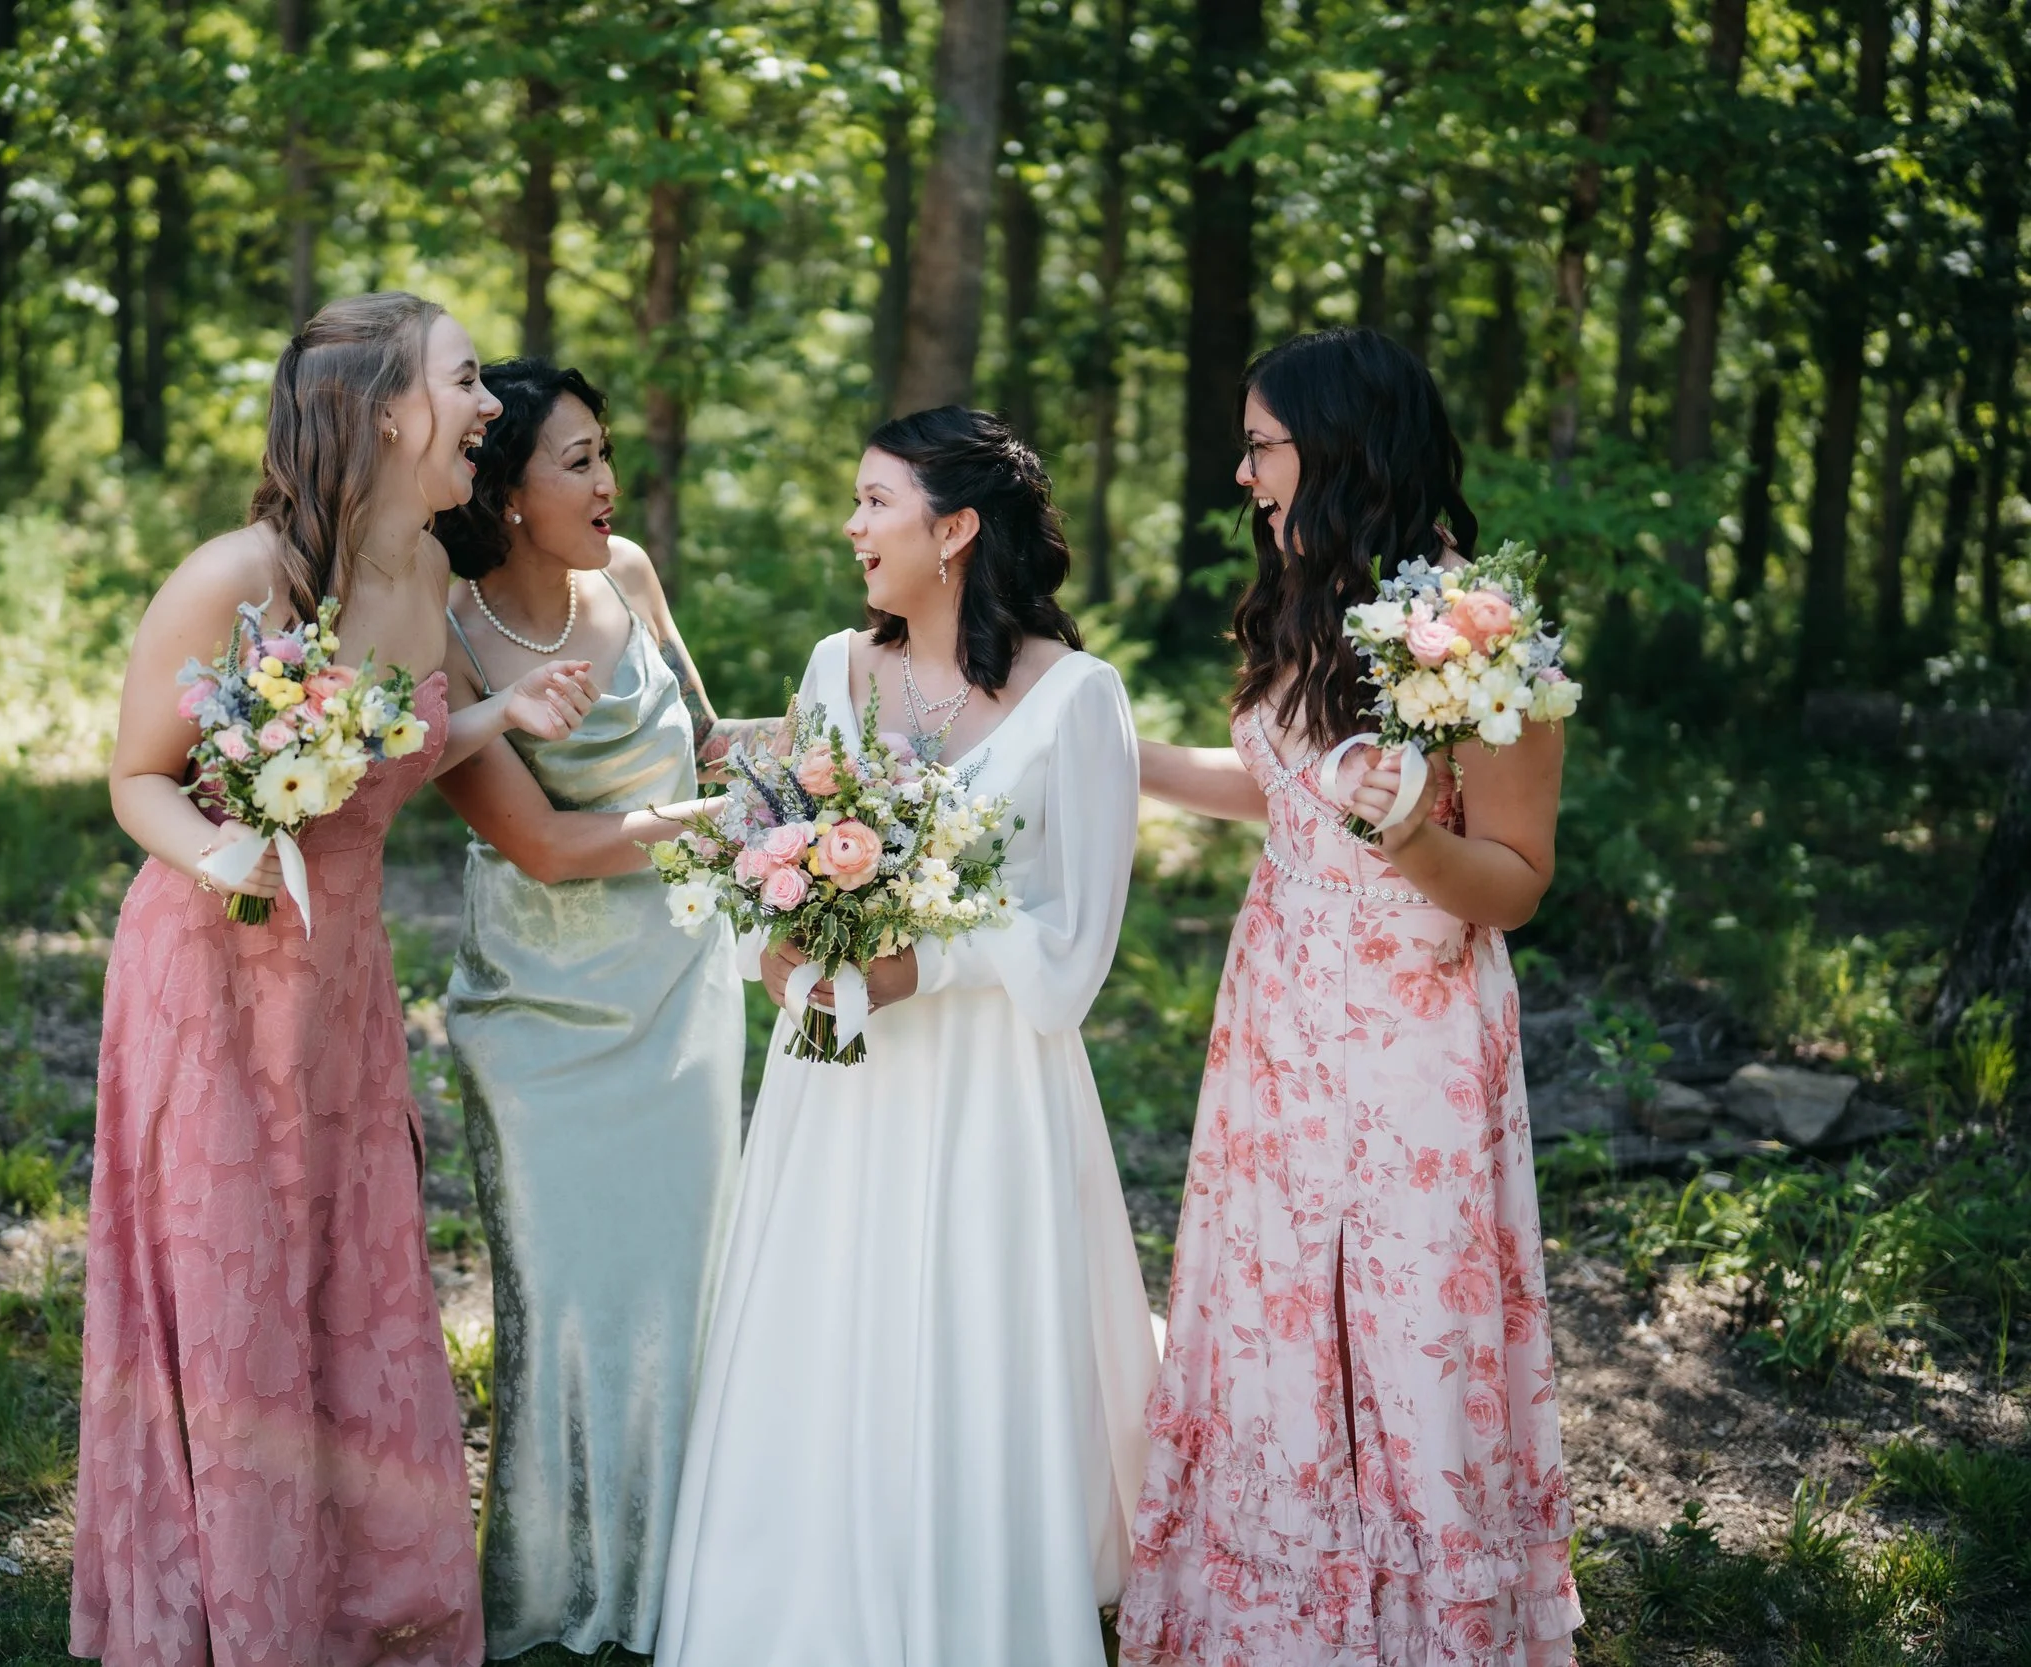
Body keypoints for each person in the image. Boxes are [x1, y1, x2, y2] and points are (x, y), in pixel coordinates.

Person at [73, 293, 598, 1667]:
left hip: (345, 984)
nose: (491, 407)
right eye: (469, 380)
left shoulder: (424, 569)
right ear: (384, 410)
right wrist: (228, 847)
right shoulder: (234, 577)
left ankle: (363, 1608)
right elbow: (137, 776)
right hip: (213, 972)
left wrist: (494, 711)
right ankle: (229, 1613)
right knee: (235, 1296)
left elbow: (387, 751)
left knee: (345, 1283)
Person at [654, 407, 1159, 1667]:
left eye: (875, 500)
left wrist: (920, 957)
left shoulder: (1079, 699)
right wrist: (771, 939)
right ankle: (794, 1599)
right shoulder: (834, 667)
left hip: (987, 1086)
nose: (852, 525)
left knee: (965, 1340)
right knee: (822, 1318)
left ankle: (971, 1603)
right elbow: (766, 848)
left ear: (957, 529)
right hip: (836, 1073)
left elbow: (1074, 944)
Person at [1121, 327, 1582, 1666]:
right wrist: (1118, 752)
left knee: (1406, 1322)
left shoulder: (1479, 632)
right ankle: (1276, 1618)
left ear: (1339, 448)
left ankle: (1424, 1624)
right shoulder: (1308, 600)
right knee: (1277, 1306)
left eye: (1261, 443)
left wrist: (1414, 845)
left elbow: (1517, 877)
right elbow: (1279, 787)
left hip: (1411, 1017)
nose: (1245, 470)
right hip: (1276, 1007)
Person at [425, 359, 750, 1661]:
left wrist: (861, 753)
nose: (610, 481)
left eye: (607, 452)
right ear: (505, 494)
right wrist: (739, 828)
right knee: (564, 1293)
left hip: (681, 984)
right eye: (578, 460)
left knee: (685, 1282)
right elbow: (547, 844)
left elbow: (716, 743)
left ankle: (694, 1568)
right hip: (539, 1007)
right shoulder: (443, 634)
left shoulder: (634, 580)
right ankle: (563, 1585)